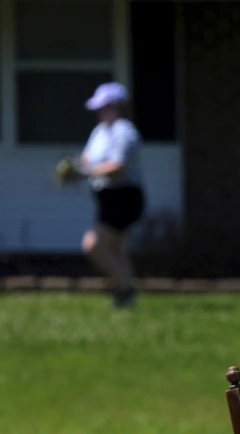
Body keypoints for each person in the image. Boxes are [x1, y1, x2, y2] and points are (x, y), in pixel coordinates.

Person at [75, 82, 145, 307]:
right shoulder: (100, 132)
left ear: (118, 107)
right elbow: (86, 158)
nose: (100, 112)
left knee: (93, 245)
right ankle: (125, 297)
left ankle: (124, 289)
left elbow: (118, 165)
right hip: (106, 197)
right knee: (116, 250)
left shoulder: (124, 132)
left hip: (124, 198)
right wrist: (74, 168)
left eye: (105, 107)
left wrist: (87, 171)